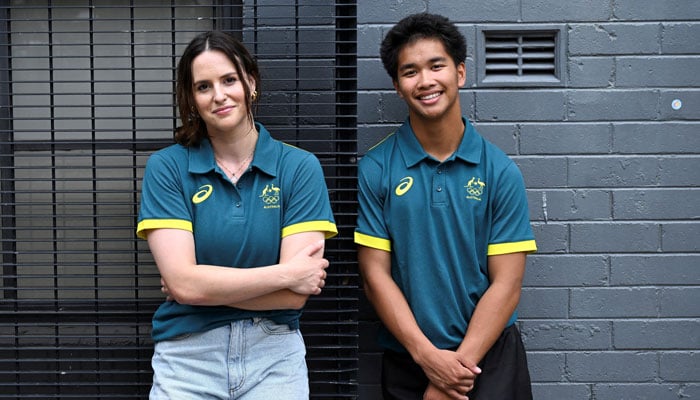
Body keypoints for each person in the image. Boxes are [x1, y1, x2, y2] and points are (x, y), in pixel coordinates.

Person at [136, 31, 337, 399]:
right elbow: (184, 285)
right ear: (192, 99)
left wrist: (198, 287)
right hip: (187, 356)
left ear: (251, 82)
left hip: (274, 354)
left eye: (229, 80)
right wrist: (286, 273)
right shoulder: (167, 168)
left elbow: (294, 297)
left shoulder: (299, 168)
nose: (219, 95)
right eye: (203, 86)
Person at [355, 13, 537, 400]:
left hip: (490, 357)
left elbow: (508, 284)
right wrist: (429, 360)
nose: (425, 81)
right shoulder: (376, 169)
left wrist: (453, 374)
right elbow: (375, 278)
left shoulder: (499, 170)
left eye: (436, 65)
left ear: (460, 72)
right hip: (409, 358)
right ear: (397, 86)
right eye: (410, 71)